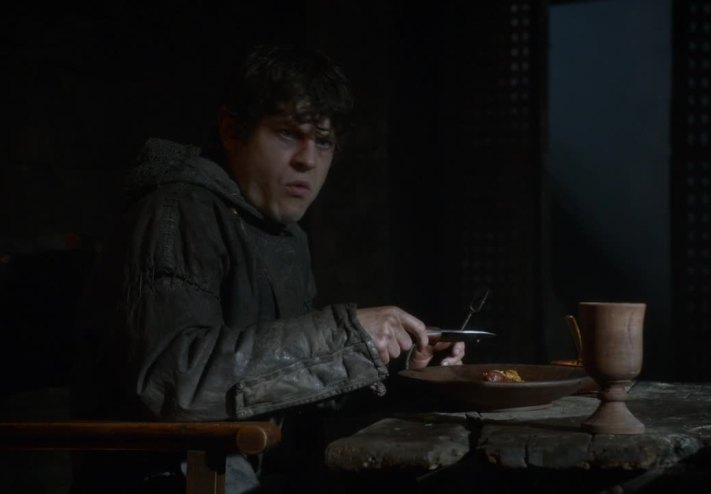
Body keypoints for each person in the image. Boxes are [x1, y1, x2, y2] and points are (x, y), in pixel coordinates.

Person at [69, 44, 464, 493]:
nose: (307, 160)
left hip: (251, 471)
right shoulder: (178, 213)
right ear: (231, 130)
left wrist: (396, 366)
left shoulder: (281, 233)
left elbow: (277, 381)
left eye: (323, 141)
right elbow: (175, 380)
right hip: (168, 479)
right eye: (287, 134)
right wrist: (346, 337)